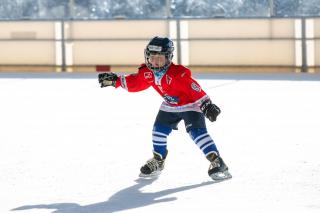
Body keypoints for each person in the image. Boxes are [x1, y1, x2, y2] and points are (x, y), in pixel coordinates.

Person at [98, 36, 231, 181]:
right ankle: (158, 161)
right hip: (170, 106)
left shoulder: (178, 74)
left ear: (169, 57)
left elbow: (194, 88)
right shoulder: (146, 72)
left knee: (197, 133)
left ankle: (217, 162)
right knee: (158, 131)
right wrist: (116, 81)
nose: (155, 61)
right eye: (152, 57)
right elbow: (135, 83)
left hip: (190, 105)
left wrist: (207, 105)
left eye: (160, 58)